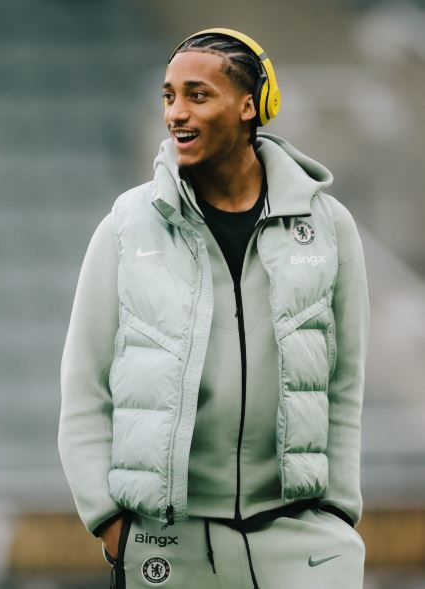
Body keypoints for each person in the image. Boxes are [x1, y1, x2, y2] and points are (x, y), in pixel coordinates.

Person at [58, 29, 368, 588]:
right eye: (169, 96)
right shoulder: (125, 228)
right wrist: (110, 523)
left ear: (252, 106)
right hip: (167, 543)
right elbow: (85, 386)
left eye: (197, 95)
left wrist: (339, 513)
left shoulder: (329, 227)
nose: (177, 112)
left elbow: (344, 383)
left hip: (301, 539)